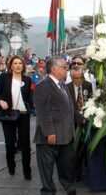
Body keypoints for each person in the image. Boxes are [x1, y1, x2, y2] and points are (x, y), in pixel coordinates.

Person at [33, 57, 80, 195]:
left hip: (65, 136)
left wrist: (83, 120)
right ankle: (48, 191)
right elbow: (43, 111)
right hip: (50, 137)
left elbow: (70, 109)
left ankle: (69, 187)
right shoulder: (43, 85)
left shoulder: (62, 85)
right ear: (53, 68)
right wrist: (49, 132)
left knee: (66, 166)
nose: (67, 69)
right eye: (64, 67)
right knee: (47, 169)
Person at [0, 55, 33, 180]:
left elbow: (30, 98)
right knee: (10, 142)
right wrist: (0, 101)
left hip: (23, 114)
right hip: (8, 113)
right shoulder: (4, 77)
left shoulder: (28, 80)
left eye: (20, 63)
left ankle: (27, 171)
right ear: (11, 65)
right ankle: (11, 165)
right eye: (15, 63)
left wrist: (33, 105)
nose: (18, 65)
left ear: (23, 66)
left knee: (25, 144)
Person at [66, 66, 92, 181]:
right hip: (72, 122)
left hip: (86, 120)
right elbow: (69, 108)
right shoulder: (67, 88)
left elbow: (91, 101)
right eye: (76, 78)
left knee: (84, 147)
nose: (79, 80)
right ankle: (75, 174)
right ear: (71, 78)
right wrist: (79, 118)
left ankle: (85, 171)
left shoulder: (87, 85)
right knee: (74, 150)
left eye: (80, 77)